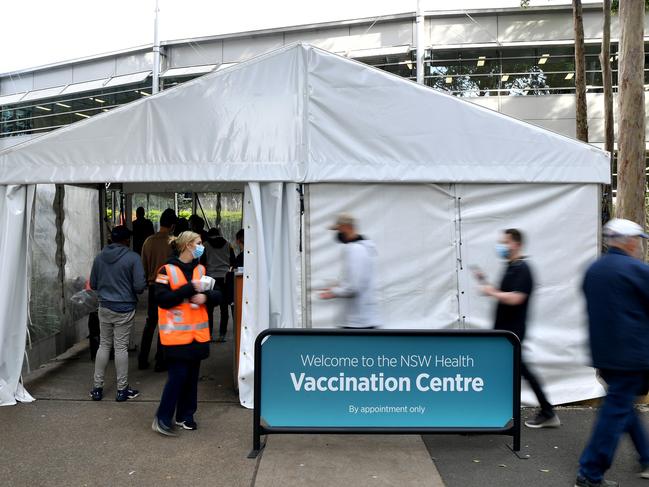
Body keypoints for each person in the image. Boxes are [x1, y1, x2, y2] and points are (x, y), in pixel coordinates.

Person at [575, 219, 649, 487]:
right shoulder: (637, 269)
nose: (640, 245)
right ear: (629, 241)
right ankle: (590, 473)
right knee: (615, 410)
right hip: (631, 354)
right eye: (639, 240)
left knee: (621, 405)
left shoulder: (594, 269)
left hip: (603, 354)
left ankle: (647, 457)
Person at [475, 228, 559, 429]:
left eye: (505, 242)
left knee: (512, 372)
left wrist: (492, 291)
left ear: (517, 244)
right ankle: (544, 411)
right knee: (507, 373)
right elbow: (504, 294)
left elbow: (516, 297)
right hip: (504, 333)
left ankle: (546, 411)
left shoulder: (523, 269)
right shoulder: (511, 267)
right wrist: (485, 283)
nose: (502, 246)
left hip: (513, 333)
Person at [151, 231, 221, 436]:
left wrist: (206, 297)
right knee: (178, 376)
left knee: (191, 377)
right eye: (198, 243)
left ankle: (186, 416)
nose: (201, 247)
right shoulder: (166, 270)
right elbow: (162, 299)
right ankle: (162, 418)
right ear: (188, 245)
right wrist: (189, 289)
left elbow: (219, 294)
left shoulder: (201, 269)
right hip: (176, 337)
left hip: (197, 336)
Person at [89, 225, 146, 402]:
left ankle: (97, 389)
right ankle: (122, 390)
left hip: (104, 306)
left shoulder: (99, 258)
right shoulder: (133, 258)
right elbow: (139, 287)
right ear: (126, 240)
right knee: (120, 347)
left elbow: (93, 283)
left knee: (104, 345)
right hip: (125, 308)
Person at [319, 213, 381, 328]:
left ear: (346, 227)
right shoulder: (366, 248)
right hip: (362, 318)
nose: (337, 234)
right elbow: (358, 281)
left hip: (356, 321)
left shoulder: (355, 249)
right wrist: (337, 287)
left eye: (338, 229)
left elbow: (353, 288)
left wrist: (332, 292)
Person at [139, 208, 176, 371]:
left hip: (153, 286)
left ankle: (142, 358)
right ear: (173, 225)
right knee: (165, 323)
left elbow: (143, 266)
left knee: (150, 323)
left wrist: (149, 279)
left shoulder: (148, 241)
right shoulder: (174, 243)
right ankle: (161, 361)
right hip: (168, 287)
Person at [204, 228, 236, 341]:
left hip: (210, 279)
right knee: (224, 308)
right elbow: (233, 261)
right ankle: (222, 335)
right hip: (225, 278)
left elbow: (202, 263)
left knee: (209, 308)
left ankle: (209, 334)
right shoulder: (228, 244)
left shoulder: (205, 245)